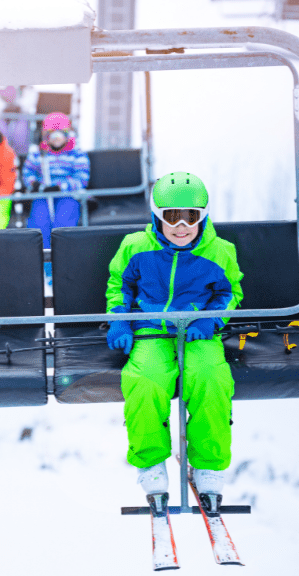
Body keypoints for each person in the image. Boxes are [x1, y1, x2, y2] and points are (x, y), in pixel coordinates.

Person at [104, 172, 243, 514]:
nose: (181, 226)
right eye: (171, 217)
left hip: (198, 332)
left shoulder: (220, 252)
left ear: (203, 216)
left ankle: (208, 464)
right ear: (157, 216)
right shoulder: (136, 246)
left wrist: (211, 318)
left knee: (210, 378)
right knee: (144, 380)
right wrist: (120, 321)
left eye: (191, 216)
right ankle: (150, 463)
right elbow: (119, 286)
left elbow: (230, 293)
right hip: (151, 328)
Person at [22, 111, 90, 250]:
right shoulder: (38, 155)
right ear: (46, 136)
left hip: (68, 195)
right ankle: (43, 261)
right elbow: (28, 172)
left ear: (67, 134)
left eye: (60, 134)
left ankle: (62, 257)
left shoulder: (77, 154)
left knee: (63, 224)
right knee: (39, 223)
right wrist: (36, 185)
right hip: (43, 194)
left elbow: (82, 178)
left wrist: (60, 187)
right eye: (52, 134)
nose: (56, 138)